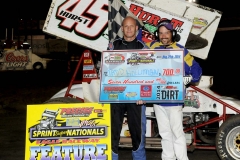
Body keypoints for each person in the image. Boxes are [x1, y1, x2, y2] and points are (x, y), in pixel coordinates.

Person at [145, 20, 202, 160]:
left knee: (177, 133)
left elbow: (197, 69)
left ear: (173, 33)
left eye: (167, 32)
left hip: (174, 99)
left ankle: (182, 158)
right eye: (161, 33)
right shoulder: (151, 47)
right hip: (157, 98)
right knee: (164, 133)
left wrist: (189, 78)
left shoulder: (181, 50)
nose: (164, 36)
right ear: (157, 34)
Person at [108, 16, 148, 160]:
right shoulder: (112, 45)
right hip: (116, 95)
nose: (129, 29)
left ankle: (139, 157)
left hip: (136, 97)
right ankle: (111, 157)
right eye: (126, 26)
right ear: (122, 29)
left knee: (138, 131)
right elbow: (107, 70)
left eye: (132, 26)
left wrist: (144, 95)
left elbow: (150, 74)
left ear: (137, 28)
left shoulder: (143, 48)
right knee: (112, 129)